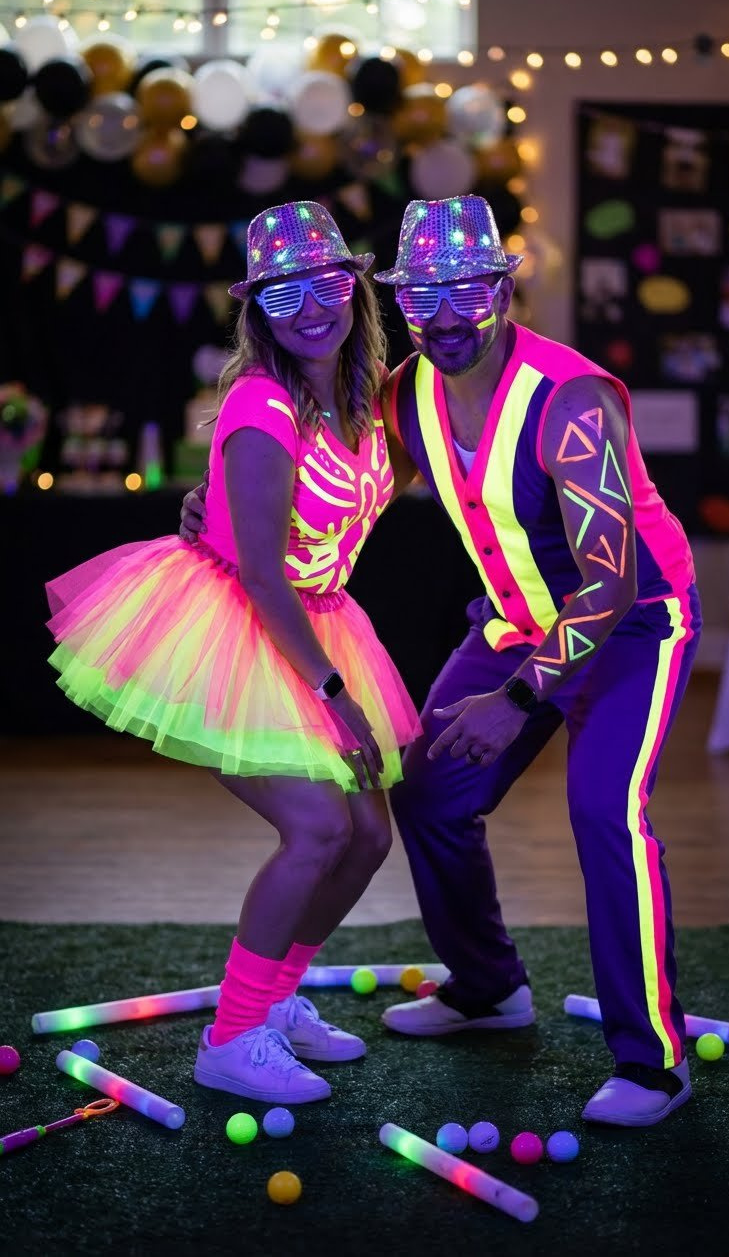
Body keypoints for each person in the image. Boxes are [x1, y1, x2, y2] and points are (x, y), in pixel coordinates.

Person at [181, 194, 702, 1128]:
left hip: (632, 626)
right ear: (400, 301)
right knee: (425, 792)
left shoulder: (572, 402)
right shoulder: (407, 391)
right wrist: (217, 500)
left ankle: (652, 1059)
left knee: (603, 811)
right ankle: (488, 986)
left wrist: (519, 694)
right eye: (426, 296)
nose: (450, 316)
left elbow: (613, 582)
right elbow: (303, 449)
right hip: (512, 620)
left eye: (470, 291)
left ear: (505, 288)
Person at [46, 200, 421, 1107]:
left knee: (369, 835)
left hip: (322, 613)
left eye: (327, 282)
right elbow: (259, 574)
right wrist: (333, 692)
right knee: (319, 827)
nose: (311, 307)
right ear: (257, 308)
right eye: (282, 292)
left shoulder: (373, 399)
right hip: (247, 625)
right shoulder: (259, 402)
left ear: (356, 289)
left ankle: (277, 1000)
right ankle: (231, 1036)